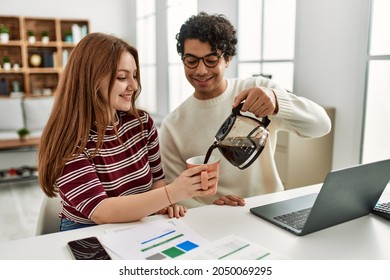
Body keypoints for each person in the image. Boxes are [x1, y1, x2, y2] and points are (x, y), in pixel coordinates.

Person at [37, 32, 218, 231]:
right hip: (87, 232)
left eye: (134, 75)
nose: (134, 86)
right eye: (122, 77)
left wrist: (165, 204)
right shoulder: (69, 140)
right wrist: (171, 194)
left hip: (140, 224)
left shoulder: (141, 123)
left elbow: (157, 180)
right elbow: (102, 211)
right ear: (91, 79)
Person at [159, 12, 332, 208]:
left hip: (269, 207)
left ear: (228, 59)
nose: (201, 70)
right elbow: (175, 192)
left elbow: (321, 126)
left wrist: (278, 102)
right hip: (213, 220)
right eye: (191, 60)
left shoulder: (257, 91)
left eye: (211, 60)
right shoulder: (173, 125)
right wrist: (213, 207)